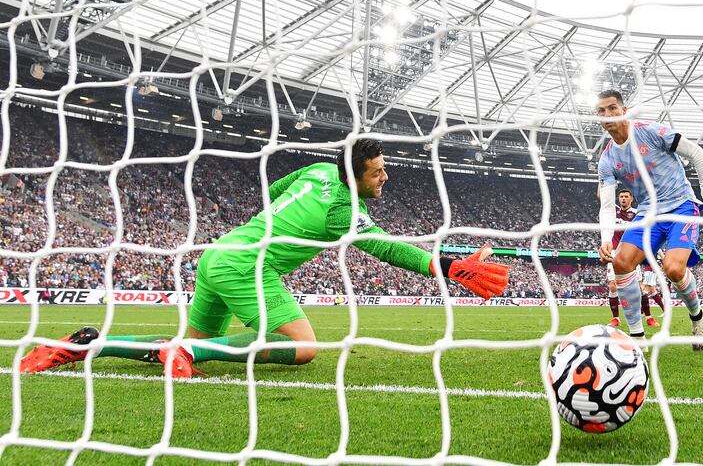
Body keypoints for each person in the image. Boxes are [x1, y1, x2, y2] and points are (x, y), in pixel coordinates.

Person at [20, 140, 509, 376]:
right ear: (355, 176)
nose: (385, 179)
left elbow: (274, 191)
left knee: (183, 341)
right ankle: (187, 353)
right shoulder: (344, 208)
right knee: (303, 347)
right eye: (377, 173)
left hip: (219, 254)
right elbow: (383, 246)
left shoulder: (317, 170)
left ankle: (91, 342)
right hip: (245, 266)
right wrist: (449, 266)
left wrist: (277, 224)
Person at [595, 90, 703, 351]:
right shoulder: (607, 159)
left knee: (674, 268)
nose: (607, 115)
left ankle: (697, 318)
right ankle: (637, 342)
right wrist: (606, 238)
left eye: (612, 108)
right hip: (648, 215)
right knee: (621, 262)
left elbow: (698, 153)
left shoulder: (650, 131)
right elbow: (607, 205)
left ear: (624, 110)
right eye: (601, 111)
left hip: (681, 207)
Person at [603, 189, 658, 328]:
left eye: (626, 196)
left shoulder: (636, 214)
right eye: (621, 196)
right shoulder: (613, 211)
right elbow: (602, 195)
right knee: (612, 286)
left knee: (640, 287)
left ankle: (649, 317)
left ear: (631, 199)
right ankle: (615, 318)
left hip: (630, 252)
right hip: (614, 252)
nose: (623, 199)